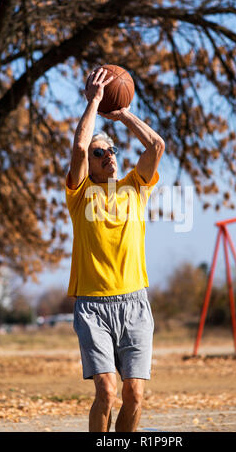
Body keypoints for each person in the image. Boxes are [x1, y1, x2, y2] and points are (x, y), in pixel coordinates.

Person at [65, 67, 165, 432]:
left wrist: (121, 113)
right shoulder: (79, 195)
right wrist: (94, 100)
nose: (108, 154)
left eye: (112, 149)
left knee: (135, 395)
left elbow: (156, 146)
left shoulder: (135, 187)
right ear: (89, 165)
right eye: (99, 152)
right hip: (92, 306)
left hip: (135, 303)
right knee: (107, 393)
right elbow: (78, 146)